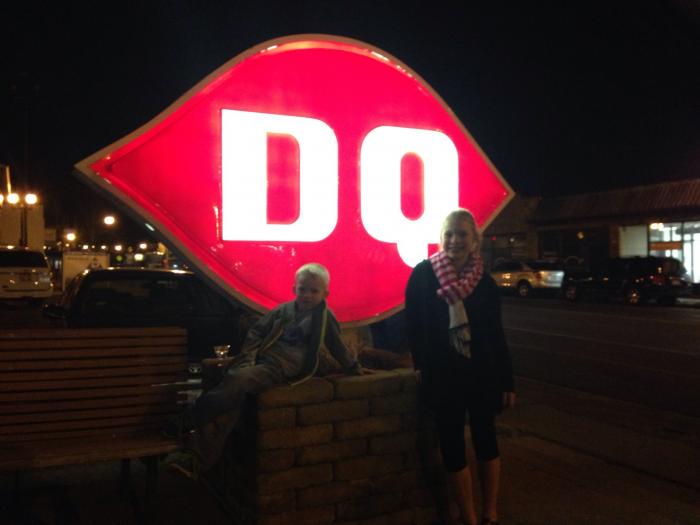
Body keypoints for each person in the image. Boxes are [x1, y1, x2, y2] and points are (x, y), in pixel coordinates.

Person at [168, 262, 363, 470]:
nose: (307, 295)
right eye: (302, 289)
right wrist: (248, 358)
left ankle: (186, 422)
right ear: (294, 289)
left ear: (325, 293)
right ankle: (196, 460)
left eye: (314, 291)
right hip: (264, 359)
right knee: (232, 396)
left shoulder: (324, 317)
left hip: (282, 367)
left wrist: (353, 366)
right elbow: (257, 331)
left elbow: (336, 345)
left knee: (237, 380)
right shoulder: (284, 310)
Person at [405, 209, 516, 525]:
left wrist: (507, 381)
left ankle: (490, 512)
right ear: (441, 238)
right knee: (451, 444)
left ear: (475, 240)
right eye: (449, 234)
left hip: (482, 373)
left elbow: (496, 334)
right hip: (443, 374)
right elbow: (414, 327)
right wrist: (420, 365)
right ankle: (468, 516)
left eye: (462, 234)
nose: (455, 240)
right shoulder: (423, 275)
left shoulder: (485, 282)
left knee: (486, 440)